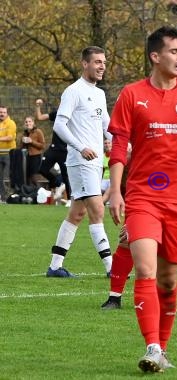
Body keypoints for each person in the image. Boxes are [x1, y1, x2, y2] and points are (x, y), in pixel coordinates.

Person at [107, 26, 177, 373]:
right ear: (155, 56)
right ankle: (152, 347)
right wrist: (115, 190)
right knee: (145, 268)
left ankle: (163, 349)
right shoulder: (131, 94)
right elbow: (119, 145)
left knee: (169, 280)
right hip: (142, 195)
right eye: (174, 51)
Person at [46, 46, 112, 278]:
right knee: (97, 210)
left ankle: (55, 266)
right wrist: (80, 147)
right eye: (97, 62)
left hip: (94, 164)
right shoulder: (73, 91)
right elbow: (59, 125)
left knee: (77, 214)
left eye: (104, 62)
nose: (102, 66)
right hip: (80, 162)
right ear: (85, 64)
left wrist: (121, 143)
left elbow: (107, 126)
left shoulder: (100, 94)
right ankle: (112, 268)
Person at [36, 98, 71, 206]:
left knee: (66, 176)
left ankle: (70, 199)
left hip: (65, 151)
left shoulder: (73, 116)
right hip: (53, 148)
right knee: (42, 169)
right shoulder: (57, 114)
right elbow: (40, 117)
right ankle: (56, 182)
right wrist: (37, 106)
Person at [20, 116, 45, 186]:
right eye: (26, 122)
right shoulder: (24, 133)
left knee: (34, 177)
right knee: (27, 177)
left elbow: (42, 146)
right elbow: (21, 147)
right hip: (26, 157)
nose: (28, 123)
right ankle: (29, 193)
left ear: (33, 122)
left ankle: (39, 191)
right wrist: (22, 141)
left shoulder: (38, 131)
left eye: (30, 121)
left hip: (35, 157)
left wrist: (31, 141)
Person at [0, 105, 17, 202]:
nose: (1, 114)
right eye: (0, 112)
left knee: (9, 176)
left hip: (9, 153)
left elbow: (10, 137)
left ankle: (12, 197)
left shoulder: (11, 123)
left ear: (7, 113)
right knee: (0, 178)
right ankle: (3, 198)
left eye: (3, 112)